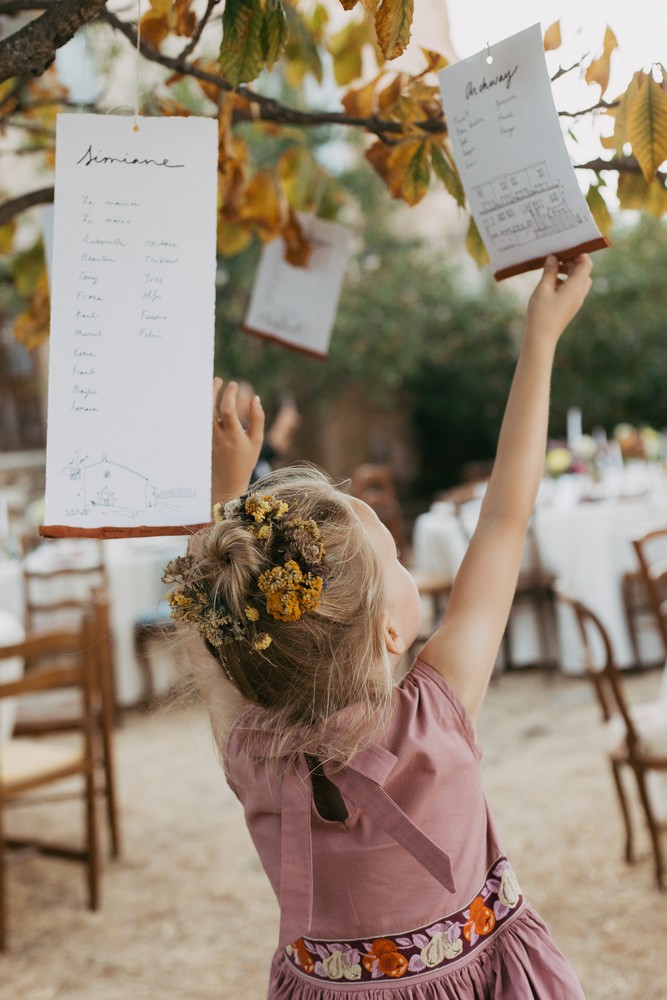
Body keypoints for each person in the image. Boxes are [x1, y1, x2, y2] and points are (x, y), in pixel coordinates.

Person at [164, 254, 592, 998]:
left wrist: (224, 494)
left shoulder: (249, 747)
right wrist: (541, 338)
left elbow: (220, 615)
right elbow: (504, 519)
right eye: (393, 558)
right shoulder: (435, 716)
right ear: (390, 632)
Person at [233, 378, 301, 481]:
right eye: (246, 396)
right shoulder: (232, 429)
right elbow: (271, 447)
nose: (250, 400)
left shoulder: (248, 426)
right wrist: (283, 422)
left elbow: (275, 448)